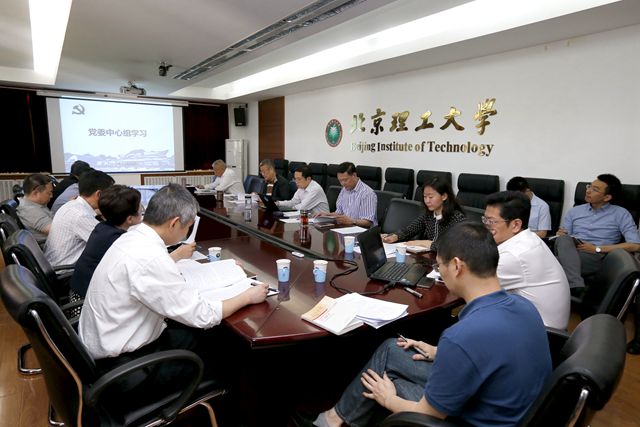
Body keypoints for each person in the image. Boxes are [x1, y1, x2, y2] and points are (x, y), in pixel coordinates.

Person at [314, 222, 551, 427]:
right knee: (391, 348)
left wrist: (388, 398)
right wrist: (440, 352)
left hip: (471, 418)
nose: (440, 273)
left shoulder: (462, 337)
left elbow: (429, 414)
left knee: (386, 383)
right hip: (505, 403)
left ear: (457, 266)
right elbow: (491, 351)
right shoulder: (523, 306)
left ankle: (334, 420)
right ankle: (336, 417)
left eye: (439, 266)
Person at [78, 184, 268, 388]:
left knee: (209, 337)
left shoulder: (132, 237)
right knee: (231, 356)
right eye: (188, 228)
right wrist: (247, 296)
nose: (187, 233)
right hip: (128, 370)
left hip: (112, 344)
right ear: (174, 223)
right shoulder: (150, 258)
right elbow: (203, 315)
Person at [484, 191, 570, 329]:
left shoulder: (514, 255)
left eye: (491, 221)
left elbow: (471, 285)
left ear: (516, 225)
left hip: (539, 332)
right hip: (530, 319)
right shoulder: (528, 238)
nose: (486, 225)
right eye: (485, 219)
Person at [555, 174, 640, 288]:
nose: (588, 191)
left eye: (595, 189)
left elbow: (635, 245)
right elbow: (565, 237)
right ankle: (575, 285)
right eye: (589, 186)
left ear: (607, 197)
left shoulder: (621, 214)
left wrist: (597, 248)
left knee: (548, 264)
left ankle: (572, 283)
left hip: (597, 256)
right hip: (572, 249)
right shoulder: (574, 211)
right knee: (563, 239)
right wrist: (560, 234)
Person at [69, 185, 144, 297]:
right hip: (87, 299)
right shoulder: (117, 240)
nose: (142, 210)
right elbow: (144, 266)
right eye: (140, 208)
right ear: (129, 219)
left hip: (82, 290)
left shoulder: (103, 227)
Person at [44, 169, 114, 267]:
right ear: (99, 194)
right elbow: (109, 243)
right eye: (110, 194)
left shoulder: (72, 205)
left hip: (55, 264)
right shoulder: (81, 215)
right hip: (66, 271)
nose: (111, 198)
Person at [382, 178, 465, 251]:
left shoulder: (456, 218)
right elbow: (409, 230)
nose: (427, 201)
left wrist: (425, 243)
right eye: (425, 197)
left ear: (444, 196)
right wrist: (395, 236)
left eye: (431, 197)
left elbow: (453, 247)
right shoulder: (429, 215)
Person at [318, 162, 377, 227]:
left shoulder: (367, 193)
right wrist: (327, 215)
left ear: (354, 175)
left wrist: (352, 221)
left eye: (345, 180)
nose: (343, 184)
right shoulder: (344, 190)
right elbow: (339, 213)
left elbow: (368, 222)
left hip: (363, 230)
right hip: (346, 227)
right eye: (340, 181)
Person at [16, 173, 54, 245]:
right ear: (36, 193)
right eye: (49, 193)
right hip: (51, 247)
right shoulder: (30, 211)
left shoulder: (35, 204)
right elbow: (57, 231)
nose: (51, 196)